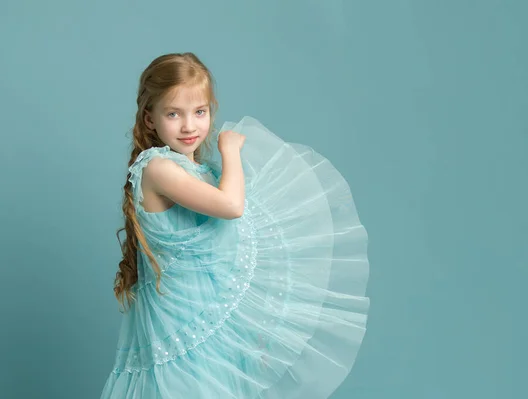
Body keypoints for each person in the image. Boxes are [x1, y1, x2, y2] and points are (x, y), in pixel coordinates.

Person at [100, 52, 370, 399]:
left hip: (205, 317)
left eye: (200, 112)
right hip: (181, 324)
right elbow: (231, 206)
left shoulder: (197, 171)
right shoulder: (158, 168)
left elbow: (228, 235)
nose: (189, 126)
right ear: (149, 119)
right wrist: (230, 151)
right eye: (173, 113)